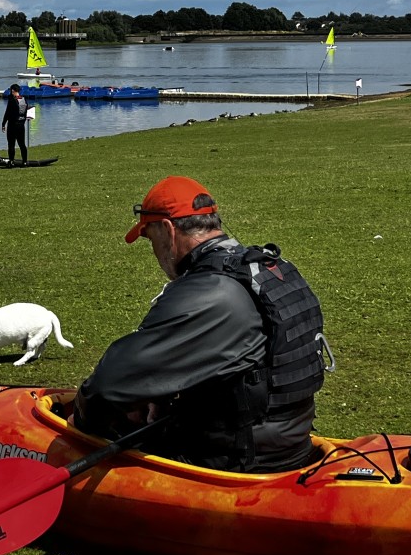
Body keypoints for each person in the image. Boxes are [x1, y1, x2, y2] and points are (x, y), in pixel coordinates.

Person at [72, 176, 324, 473]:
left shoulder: (208, 291)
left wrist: (79, 423)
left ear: (167, 230)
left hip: (232, 463)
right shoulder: (271, 270)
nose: (154, 252)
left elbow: (105, 389)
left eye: (150, 239)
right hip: (290, 447)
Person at [1, 82, 30, 164]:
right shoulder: (24, 100)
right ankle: (24, 161)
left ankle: (11, 161)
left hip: (12, 125)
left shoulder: (12, 101)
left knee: (11, 144)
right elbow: (24, 113)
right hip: (21, 125)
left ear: (13, 90)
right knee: (22, 144)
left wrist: (3, 124)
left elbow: (7, 113)